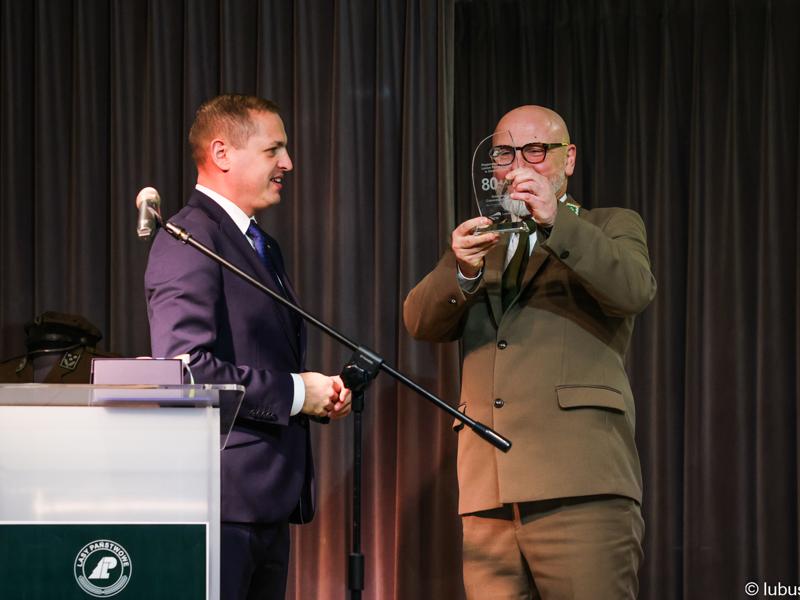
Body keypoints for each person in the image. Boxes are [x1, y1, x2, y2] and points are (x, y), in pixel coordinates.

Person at [403, 105, 656, 599]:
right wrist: (462, 270)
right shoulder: (486, 240)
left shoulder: (608, 225)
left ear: (569, 159)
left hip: (580, 485)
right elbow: (419, 321)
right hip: (488, 493)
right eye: (504, 153)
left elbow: (633, 290)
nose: (518, 165)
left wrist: (556, 220)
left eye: (536, 151)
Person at [145, 94, 351, 600]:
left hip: (266, 501)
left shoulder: (261, 244)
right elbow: (186, 370)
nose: (288, 163)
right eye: (273, 150)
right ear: (222, 153)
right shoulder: (187, 238)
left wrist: (316, 396)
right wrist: (297, 394)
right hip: (221, 501)